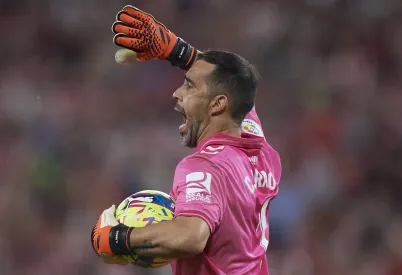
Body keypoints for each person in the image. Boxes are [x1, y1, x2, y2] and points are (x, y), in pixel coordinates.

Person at [91, 5, 281, 275]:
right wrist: (176, 50)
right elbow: (236, 83)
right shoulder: (259, 149)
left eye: (190, 85)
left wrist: (117, 238)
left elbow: (191, 236)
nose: (177, 93)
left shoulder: (204, 166)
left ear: (217, 105)